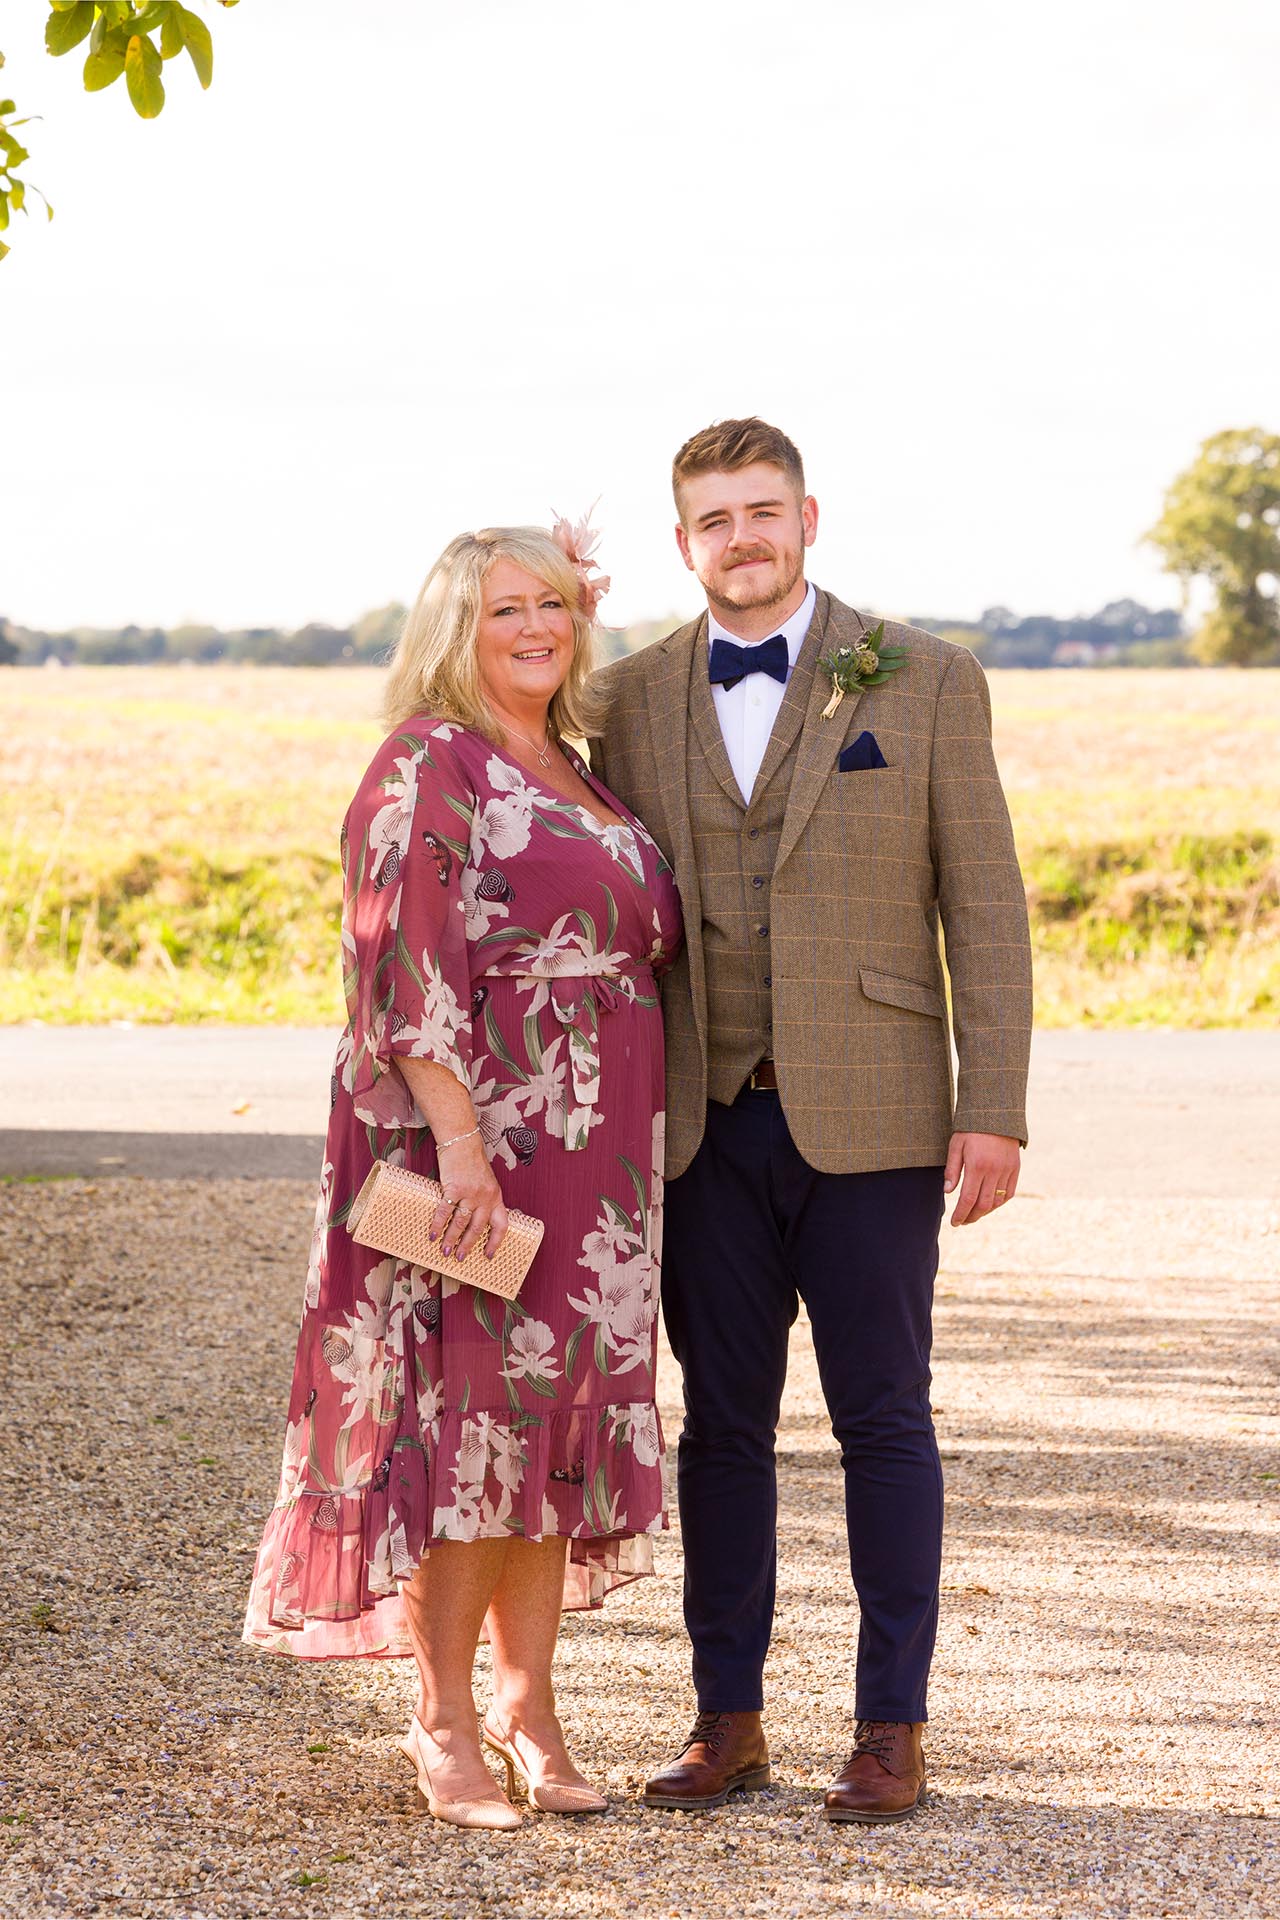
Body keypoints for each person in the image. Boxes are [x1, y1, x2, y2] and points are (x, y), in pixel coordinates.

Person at [588, 418, 1032, 1824]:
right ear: (682, 544)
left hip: (880, 1119)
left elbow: (989, 907)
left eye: (763, 511)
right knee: (720, 1430)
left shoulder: (927, 678)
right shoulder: (623, 696)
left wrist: (996, 1106)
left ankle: (891, 1728)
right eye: (714, 521)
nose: (743, 540)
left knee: (883, 1422)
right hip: (699, 1122)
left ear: (810, 517)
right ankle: (729, 1719)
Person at [243, 522, 683, 1831]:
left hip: (598, 1161)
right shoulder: (426, 763)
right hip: (483, 1154)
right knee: (472, 1440)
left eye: (553, 606)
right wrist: (461, 1146)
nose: (536, 630)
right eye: (505, 611)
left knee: (549, 1443)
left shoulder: (577, 768)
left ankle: (531, 1711)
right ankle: (441, 1725)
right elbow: (398, 964)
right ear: (454, 630)